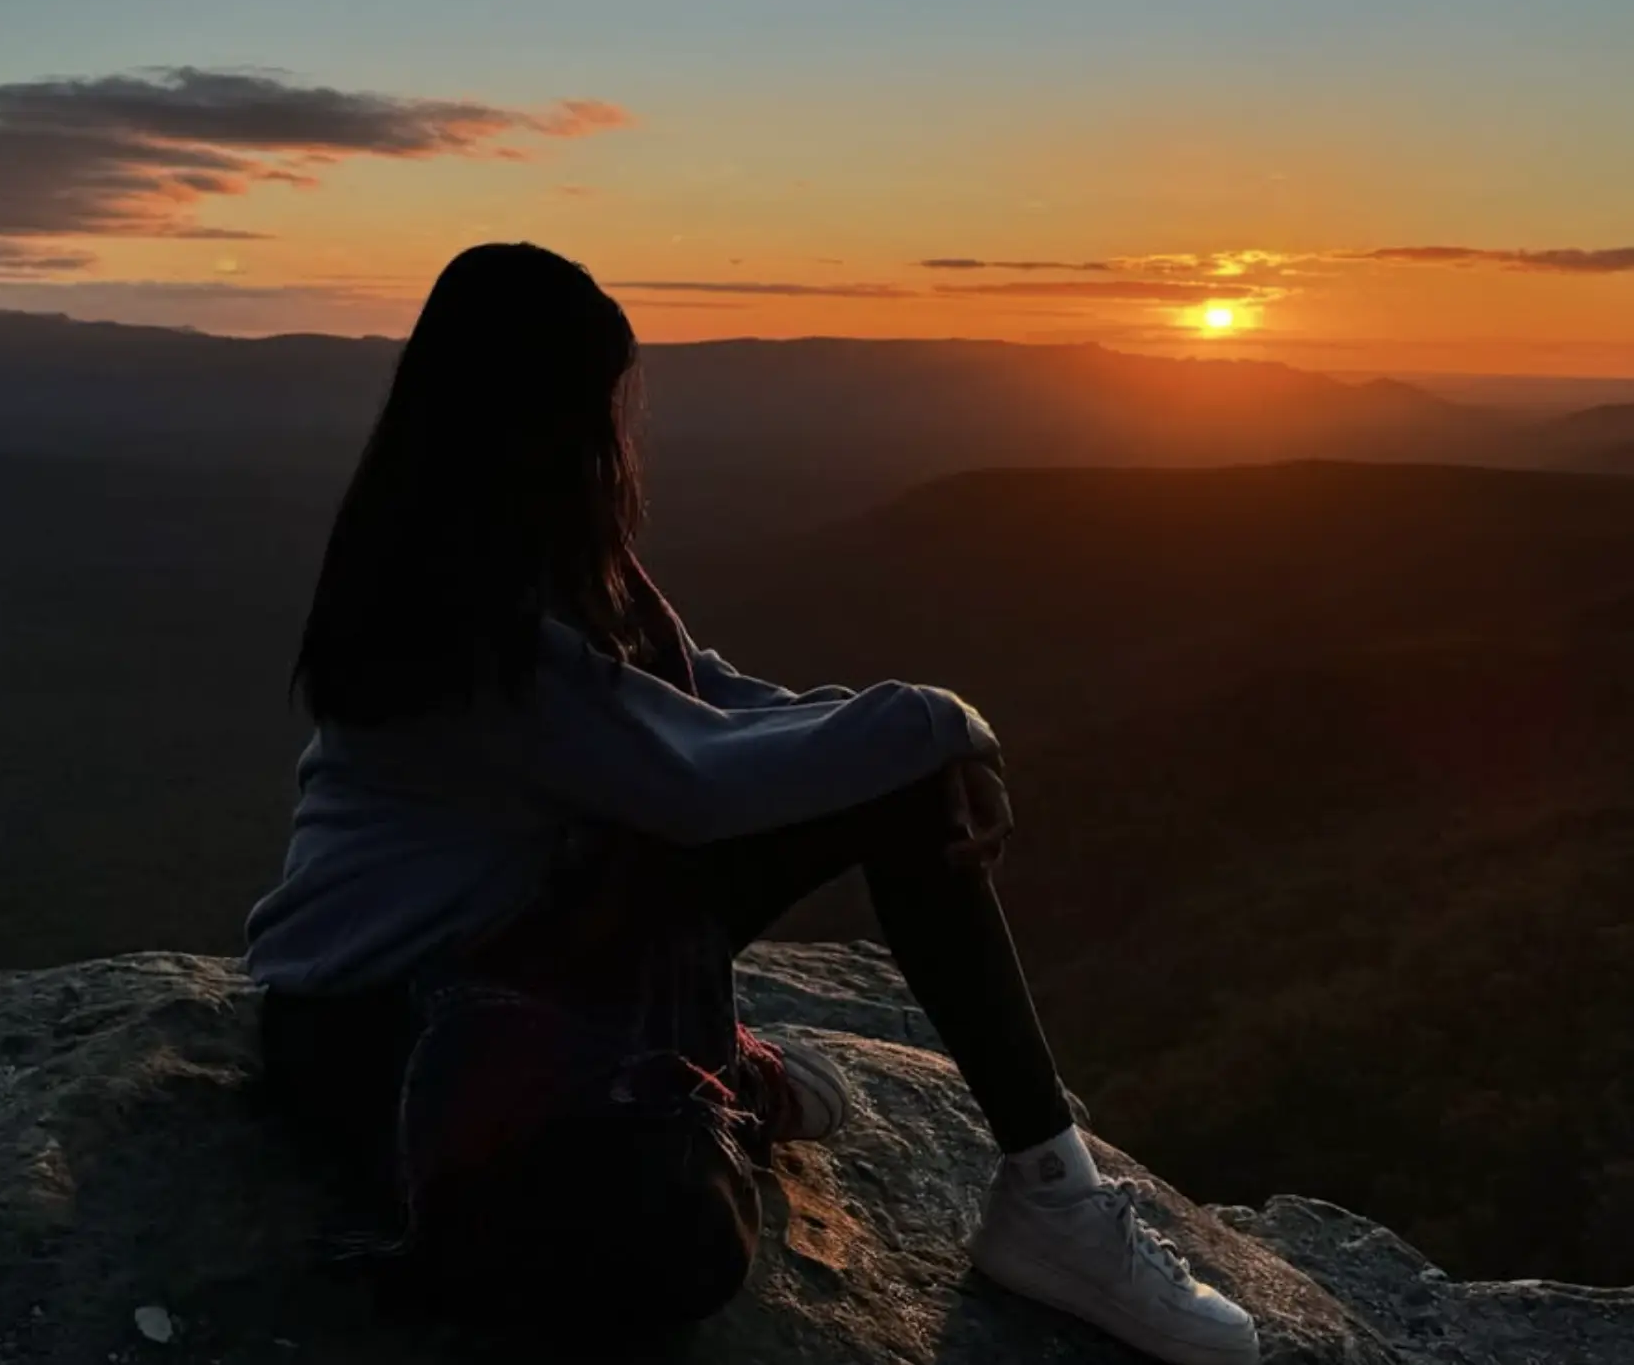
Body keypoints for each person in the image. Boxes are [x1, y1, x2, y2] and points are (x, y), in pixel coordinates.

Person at [245, 242, 1258, 1364]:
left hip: (518, 952)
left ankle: (1047, 1199)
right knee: (674, 1241)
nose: (611, 434)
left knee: (893, 776)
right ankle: (723, 1078)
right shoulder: (454, 624)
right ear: (531, 413)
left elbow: (708, 699)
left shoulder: (543, 565)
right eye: (593, 402)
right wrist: (945, 722)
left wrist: (911, 738)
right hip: (393, 1021)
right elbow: (694, 781)